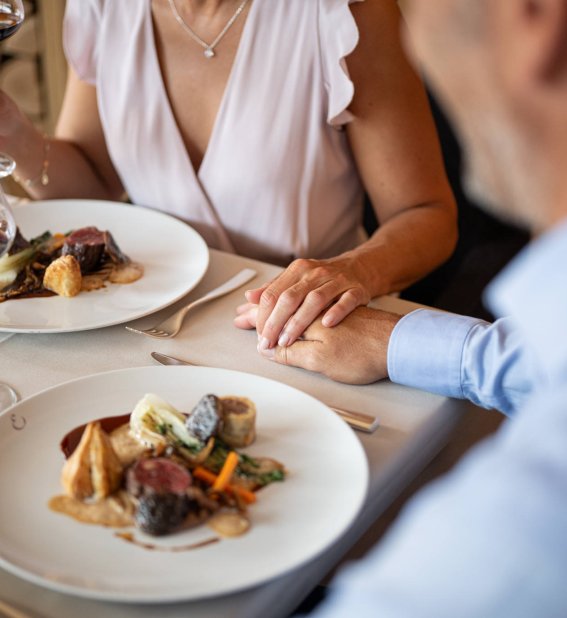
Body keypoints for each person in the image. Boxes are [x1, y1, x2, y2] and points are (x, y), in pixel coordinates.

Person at [252, 0, 567, 615]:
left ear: (536, 19)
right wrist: (396, 342)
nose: (412, 43)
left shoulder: (518, 534)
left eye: (416, 6)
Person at [0, 0, 456, 348]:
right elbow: (94, 182)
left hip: (312, 334)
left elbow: (427, 214)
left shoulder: (343, 14)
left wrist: (354, 270)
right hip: (151, 330)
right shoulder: (104, 8)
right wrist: (13, 132)